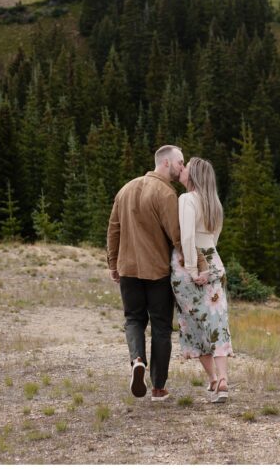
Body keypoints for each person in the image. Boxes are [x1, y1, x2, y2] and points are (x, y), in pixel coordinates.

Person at [107, 144, 205, 403]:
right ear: (165, 163)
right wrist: (199, 265)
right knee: (161, 327)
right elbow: (177, 236)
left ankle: (137, 360)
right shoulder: (166, 194)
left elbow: (113, 229)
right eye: (180, 163)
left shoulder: (125, 189)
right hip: (157, 272)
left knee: (133, 320)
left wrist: (112, 264)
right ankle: (158, 388)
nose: (182, 168)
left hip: (128, 269)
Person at [170, 157, 233, 402]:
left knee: (194, 325)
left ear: (193, 175)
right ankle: (224, 379)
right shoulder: (214, 204)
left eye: (185, 168)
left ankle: (213, 379)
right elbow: (214, 240)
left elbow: (186, 237)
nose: (181, 170)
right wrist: (207, 265)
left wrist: (193, 268)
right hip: (214, 262)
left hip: (189, 264)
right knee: (217, 322)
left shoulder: (186, 200)